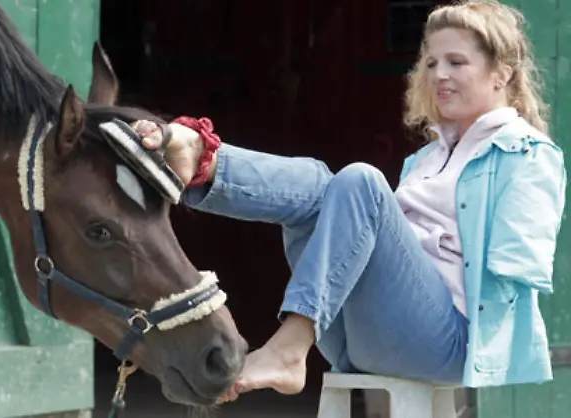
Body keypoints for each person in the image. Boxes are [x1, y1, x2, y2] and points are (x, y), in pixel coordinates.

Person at [131, 0, 566, 403]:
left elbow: (518, 270)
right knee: (323, 186)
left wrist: (433, 245)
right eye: (431, 63)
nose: (438, 75)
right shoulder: (427, 158)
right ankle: (205, 162)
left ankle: (290, 346)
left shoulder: (527, 154)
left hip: (453, 344)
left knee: (359, 183)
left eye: (457, 62)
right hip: (365, 334)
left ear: (502, 73)